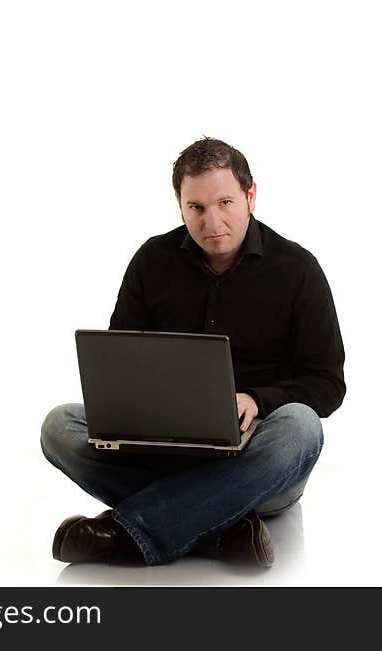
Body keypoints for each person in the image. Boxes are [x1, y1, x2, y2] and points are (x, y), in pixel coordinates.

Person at [41, 137, 345, 567]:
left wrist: (257, 401)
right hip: (163, 452)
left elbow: (329, 385)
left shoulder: (298, 269)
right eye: (196, 207)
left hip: (255, 460)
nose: (212, 221)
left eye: (225, 202)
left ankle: (130, 535)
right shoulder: (152, 260)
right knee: (59, 426)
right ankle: (219, 529)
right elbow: (120, 365)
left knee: (301, 426)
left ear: (250, 195)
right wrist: (142, 411)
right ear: (180, 205)